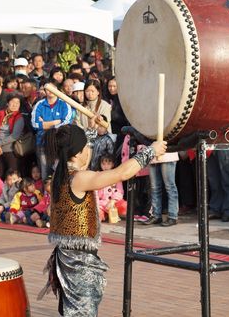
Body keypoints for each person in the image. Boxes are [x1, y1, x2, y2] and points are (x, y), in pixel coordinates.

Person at [38, 123, 166, 316]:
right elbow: (120, 173)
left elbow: (83, 157)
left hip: (68, 256)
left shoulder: (59, 174)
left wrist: (89, 131)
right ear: (79, 152)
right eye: (86, 147)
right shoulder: (79, 178)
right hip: (79, 262)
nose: (89, 150)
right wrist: (150, 151)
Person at [31, 81, 73, 178]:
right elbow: (34, 124)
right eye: (47, 89)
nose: (50, 91)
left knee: (61, 173)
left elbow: (66, 123)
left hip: (59, 143)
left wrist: (45, 123)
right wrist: (55, 122)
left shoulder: (64, 104)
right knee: (45, 174)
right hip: (42, 143)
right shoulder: (39, 104)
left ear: (57, 89)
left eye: (52, 88)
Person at [0, 93, 25, 178]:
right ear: (7, 103)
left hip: (10, 151)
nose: (15, 104)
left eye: (17, 103)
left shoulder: (19, 118)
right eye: (12, 102)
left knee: (12, 176)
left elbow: (14, 136)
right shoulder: (0, 114)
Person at [143, 151, 180, 226]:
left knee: (170, 186)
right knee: (154, 187)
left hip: (168, 154)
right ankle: (156, 215)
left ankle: (173, 216)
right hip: (153, 155)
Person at [97, 154, 127, 222]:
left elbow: (120, 191)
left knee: (125, 206)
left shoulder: (116, 176)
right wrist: (97, 204)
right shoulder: (97, 176)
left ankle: (111, 214)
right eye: (103, 164)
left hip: (113, 203)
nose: (106, 166)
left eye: (108, 164)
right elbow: (94, 192)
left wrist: (113, 201)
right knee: (97, 215)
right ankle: (105, 215)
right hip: (101, 204)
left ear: (112, 164)